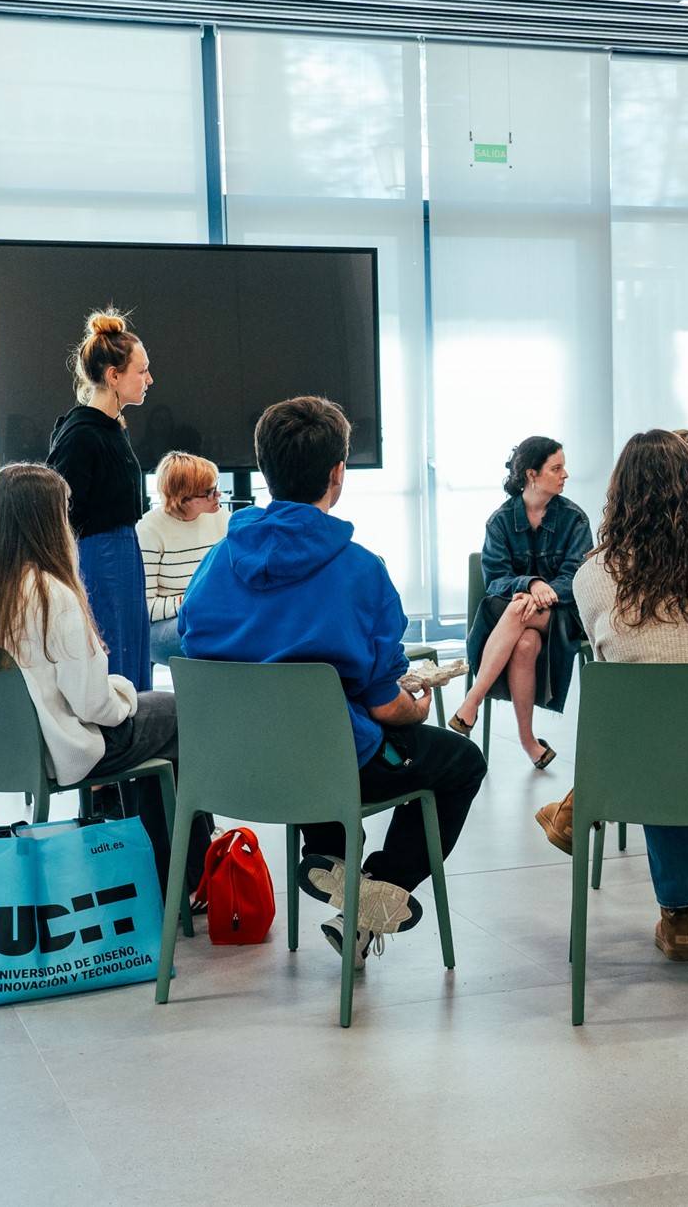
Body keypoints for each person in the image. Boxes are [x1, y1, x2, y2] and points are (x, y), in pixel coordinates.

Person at [180, 396, 486, 963]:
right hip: (326, 764)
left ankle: (333, 864)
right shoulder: (362, 571)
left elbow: (198, 653)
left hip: (233, 766)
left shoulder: (215, 563)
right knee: (460, 762)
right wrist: (414, 705)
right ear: (337, 474)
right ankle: (378, 893)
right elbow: (384, 706)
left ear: (264, 468)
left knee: (311, 725)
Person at [532, 430, 688, 961]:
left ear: (620, 496)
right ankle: (681, 911)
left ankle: (589, 816)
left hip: (639, 765)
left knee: (654, 721)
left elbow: (608, 663)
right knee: (682, 720)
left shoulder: (594, 573)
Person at [0, 463, 210, 901]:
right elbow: (93, 706)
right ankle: (188, 881)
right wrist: (126, 695)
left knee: (159, 724)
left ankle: (175, 877)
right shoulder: (52, 594)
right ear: (49, 522)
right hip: (57, 750)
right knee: (176, 712)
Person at [449, 436, 594, 769]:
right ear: (532, 474)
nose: (565, 475)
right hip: (517, 617)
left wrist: (546, 592)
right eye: (556, 468)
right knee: (526, 642)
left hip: (561, 614)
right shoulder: (500, 520)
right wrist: (530, 584)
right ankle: (530, 743)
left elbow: (579, 576)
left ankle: (470, 702)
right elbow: (495, 580)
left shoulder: (575, 519)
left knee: (518, 609)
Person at [47, 309, 154, 691]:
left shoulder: (111, 429)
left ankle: (138, 739)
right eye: (141, 371)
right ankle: (118, 747)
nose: (149, 379)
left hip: (122, 554)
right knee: (113, 663)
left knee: (131, 657)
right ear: (113, 376)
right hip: (98, 561)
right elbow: (58, 513)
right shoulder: (81, 435)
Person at [136, 451, 229, 666]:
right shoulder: (149, 530)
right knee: (209, 628)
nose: (218, 495)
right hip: (165, 627)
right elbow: (145, 607)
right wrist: (191, 601)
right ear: (182, 498)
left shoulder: (222, 518)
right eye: (209, 492)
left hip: (212, 614)